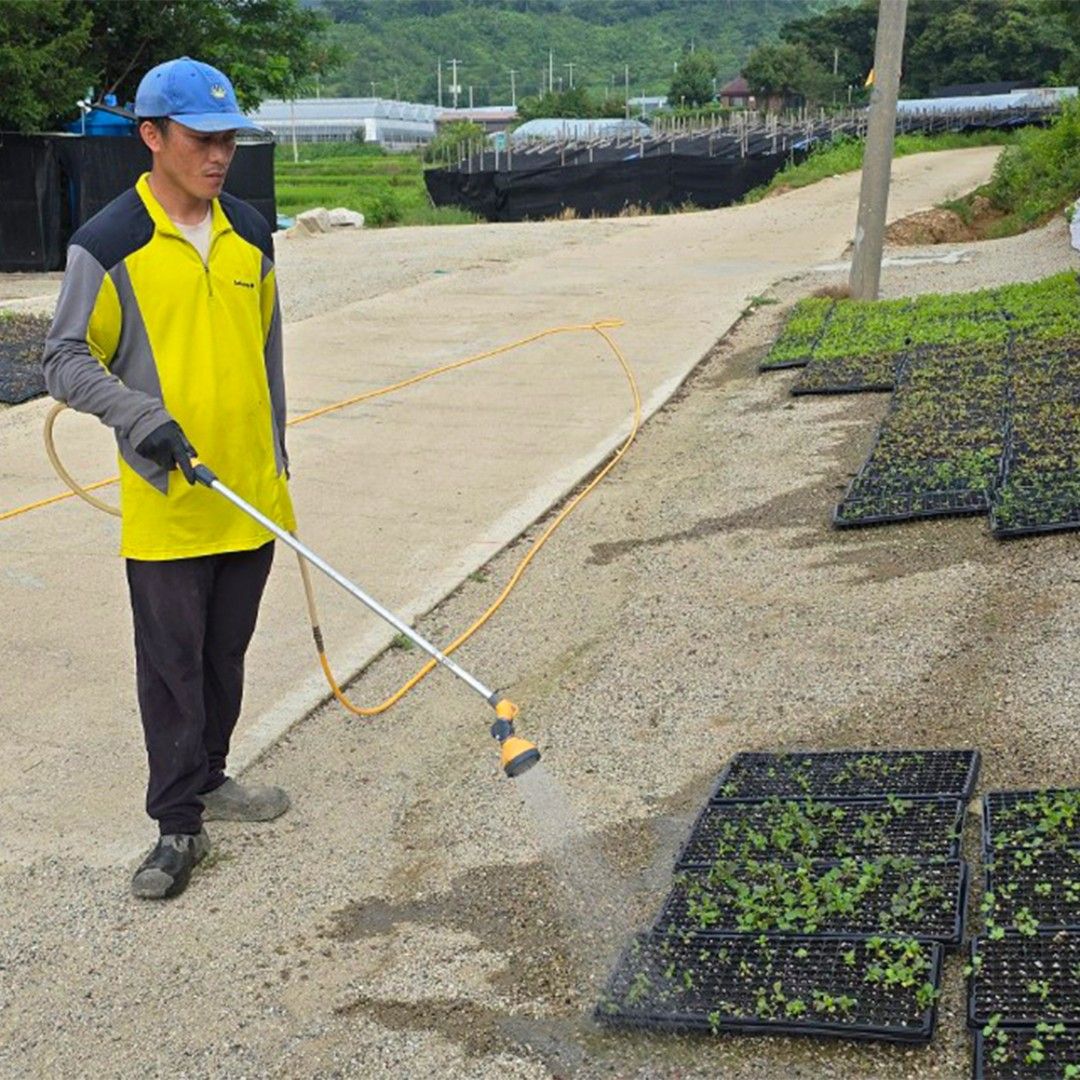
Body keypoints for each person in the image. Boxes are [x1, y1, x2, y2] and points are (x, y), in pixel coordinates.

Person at [43, 57, 295, 900]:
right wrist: (139, 417)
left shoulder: (252, 232)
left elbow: (268, 354)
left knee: (226, 659)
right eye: (200, 139)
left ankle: (215, 778)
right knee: (172, 670)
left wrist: (277, 457)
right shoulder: (110, 243)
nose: (218, 155)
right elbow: (64, 360)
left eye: (228, 139)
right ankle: (176, 827)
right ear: (152, 136)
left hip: (250, 493)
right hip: (172, 504)